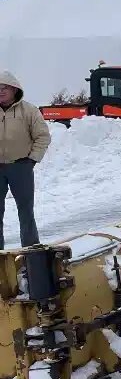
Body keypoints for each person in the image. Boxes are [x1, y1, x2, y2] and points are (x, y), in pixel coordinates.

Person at [0, 70, 52, 251]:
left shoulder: (29, 111)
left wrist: (31, 160)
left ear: (14, 89)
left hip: (20, 167)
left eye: (4, 87)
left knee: (25, 212)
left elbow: (42, 136)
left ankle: (31, 253)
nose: (1, 91)